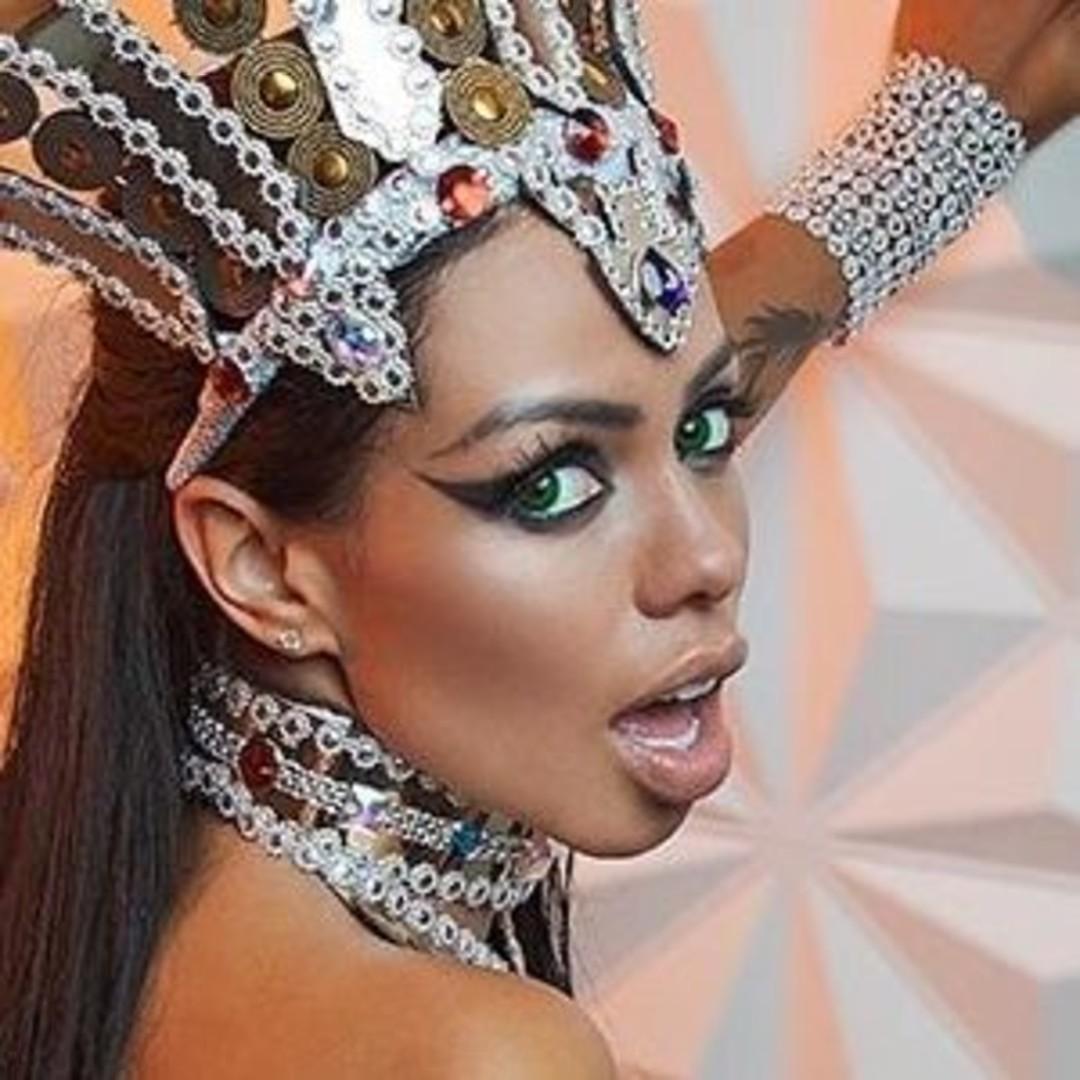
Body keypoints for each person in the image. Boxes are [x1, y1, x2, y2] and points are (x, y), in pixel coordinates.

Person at [0, 2, 1076, 1078]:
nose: (706, 560)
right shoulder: (481, 1055)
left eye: (704, 435)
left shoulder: (94, 910)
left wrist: (926, 150)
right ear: (263, 567)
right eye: (553, 488)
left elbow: (575, 381)